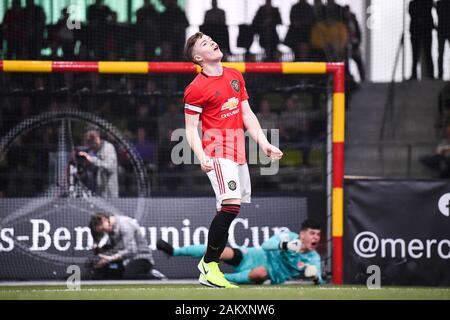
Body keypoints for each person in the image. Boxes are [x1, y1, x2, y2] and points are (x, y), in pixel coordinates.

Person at [183, 32, 283, 288]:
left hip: (239, 153)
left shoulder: (235, 75)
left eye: (210, 39)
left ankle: (210, 267)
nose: (212, 42)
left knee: (227, 209)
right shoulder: (195, 88)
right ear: (198, 58)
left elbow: (247, 114)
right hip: (216, 152)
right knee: (231, 206)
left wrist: (264, 144)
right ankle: (209, 264)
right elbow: (191, 129)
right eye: (204, 43)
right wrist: (201, 156)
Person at [157, 219, 324, 285]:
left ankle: (216, 279)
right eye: (312, 233)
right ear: (302, 234)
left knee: (260, 273)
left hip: (268, 273)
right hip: (251, 256)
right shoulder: (289, 236)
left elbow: (321, 282)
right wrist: (285, 245)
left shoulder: (313, 258)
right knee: (221, 251)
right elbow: (266, 245)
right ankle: (174, 251)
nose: (315, 238)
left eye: (318, 235)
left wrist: (315, 277)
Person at [88, 212, 166, 280]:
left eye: (103, 229)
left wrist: (109, 259)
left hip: (141, 258)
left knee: (129, 276)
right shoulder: (111, 230)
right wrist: (102, 253)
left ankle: (155, 276)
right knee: (100, 271)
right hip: (125, 260)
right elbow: (118, 248)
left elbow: (131, 250)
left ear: (104, 220)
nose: (104, 232)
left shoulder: (125, 224)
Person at [77, 128, 119, 197]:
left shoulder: (108, 148)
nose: (87, 145)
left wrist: (92, 160)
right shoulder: (92, 151)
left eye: (88, 141)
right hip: (97, 193)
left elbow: (109, 167)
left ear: (95, 138)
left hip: (109, 194)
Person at [409, 0, 435, 80]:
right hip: (418, 31)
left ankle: (430, 74)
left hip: (424, 31)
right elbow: (412, 13)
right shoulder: (414, 4)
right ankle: (415, 75)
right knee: (415, 55)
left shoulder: (427, 3)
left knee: (426, 54)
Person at [436, 0, 450, 80]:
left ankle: (440, 74)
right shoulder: (440, 4)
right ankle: (440, 74)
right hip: (443, 31)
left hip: (442, 31)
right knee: (440, 54)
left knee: (440, 54)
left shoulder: (439, 4)